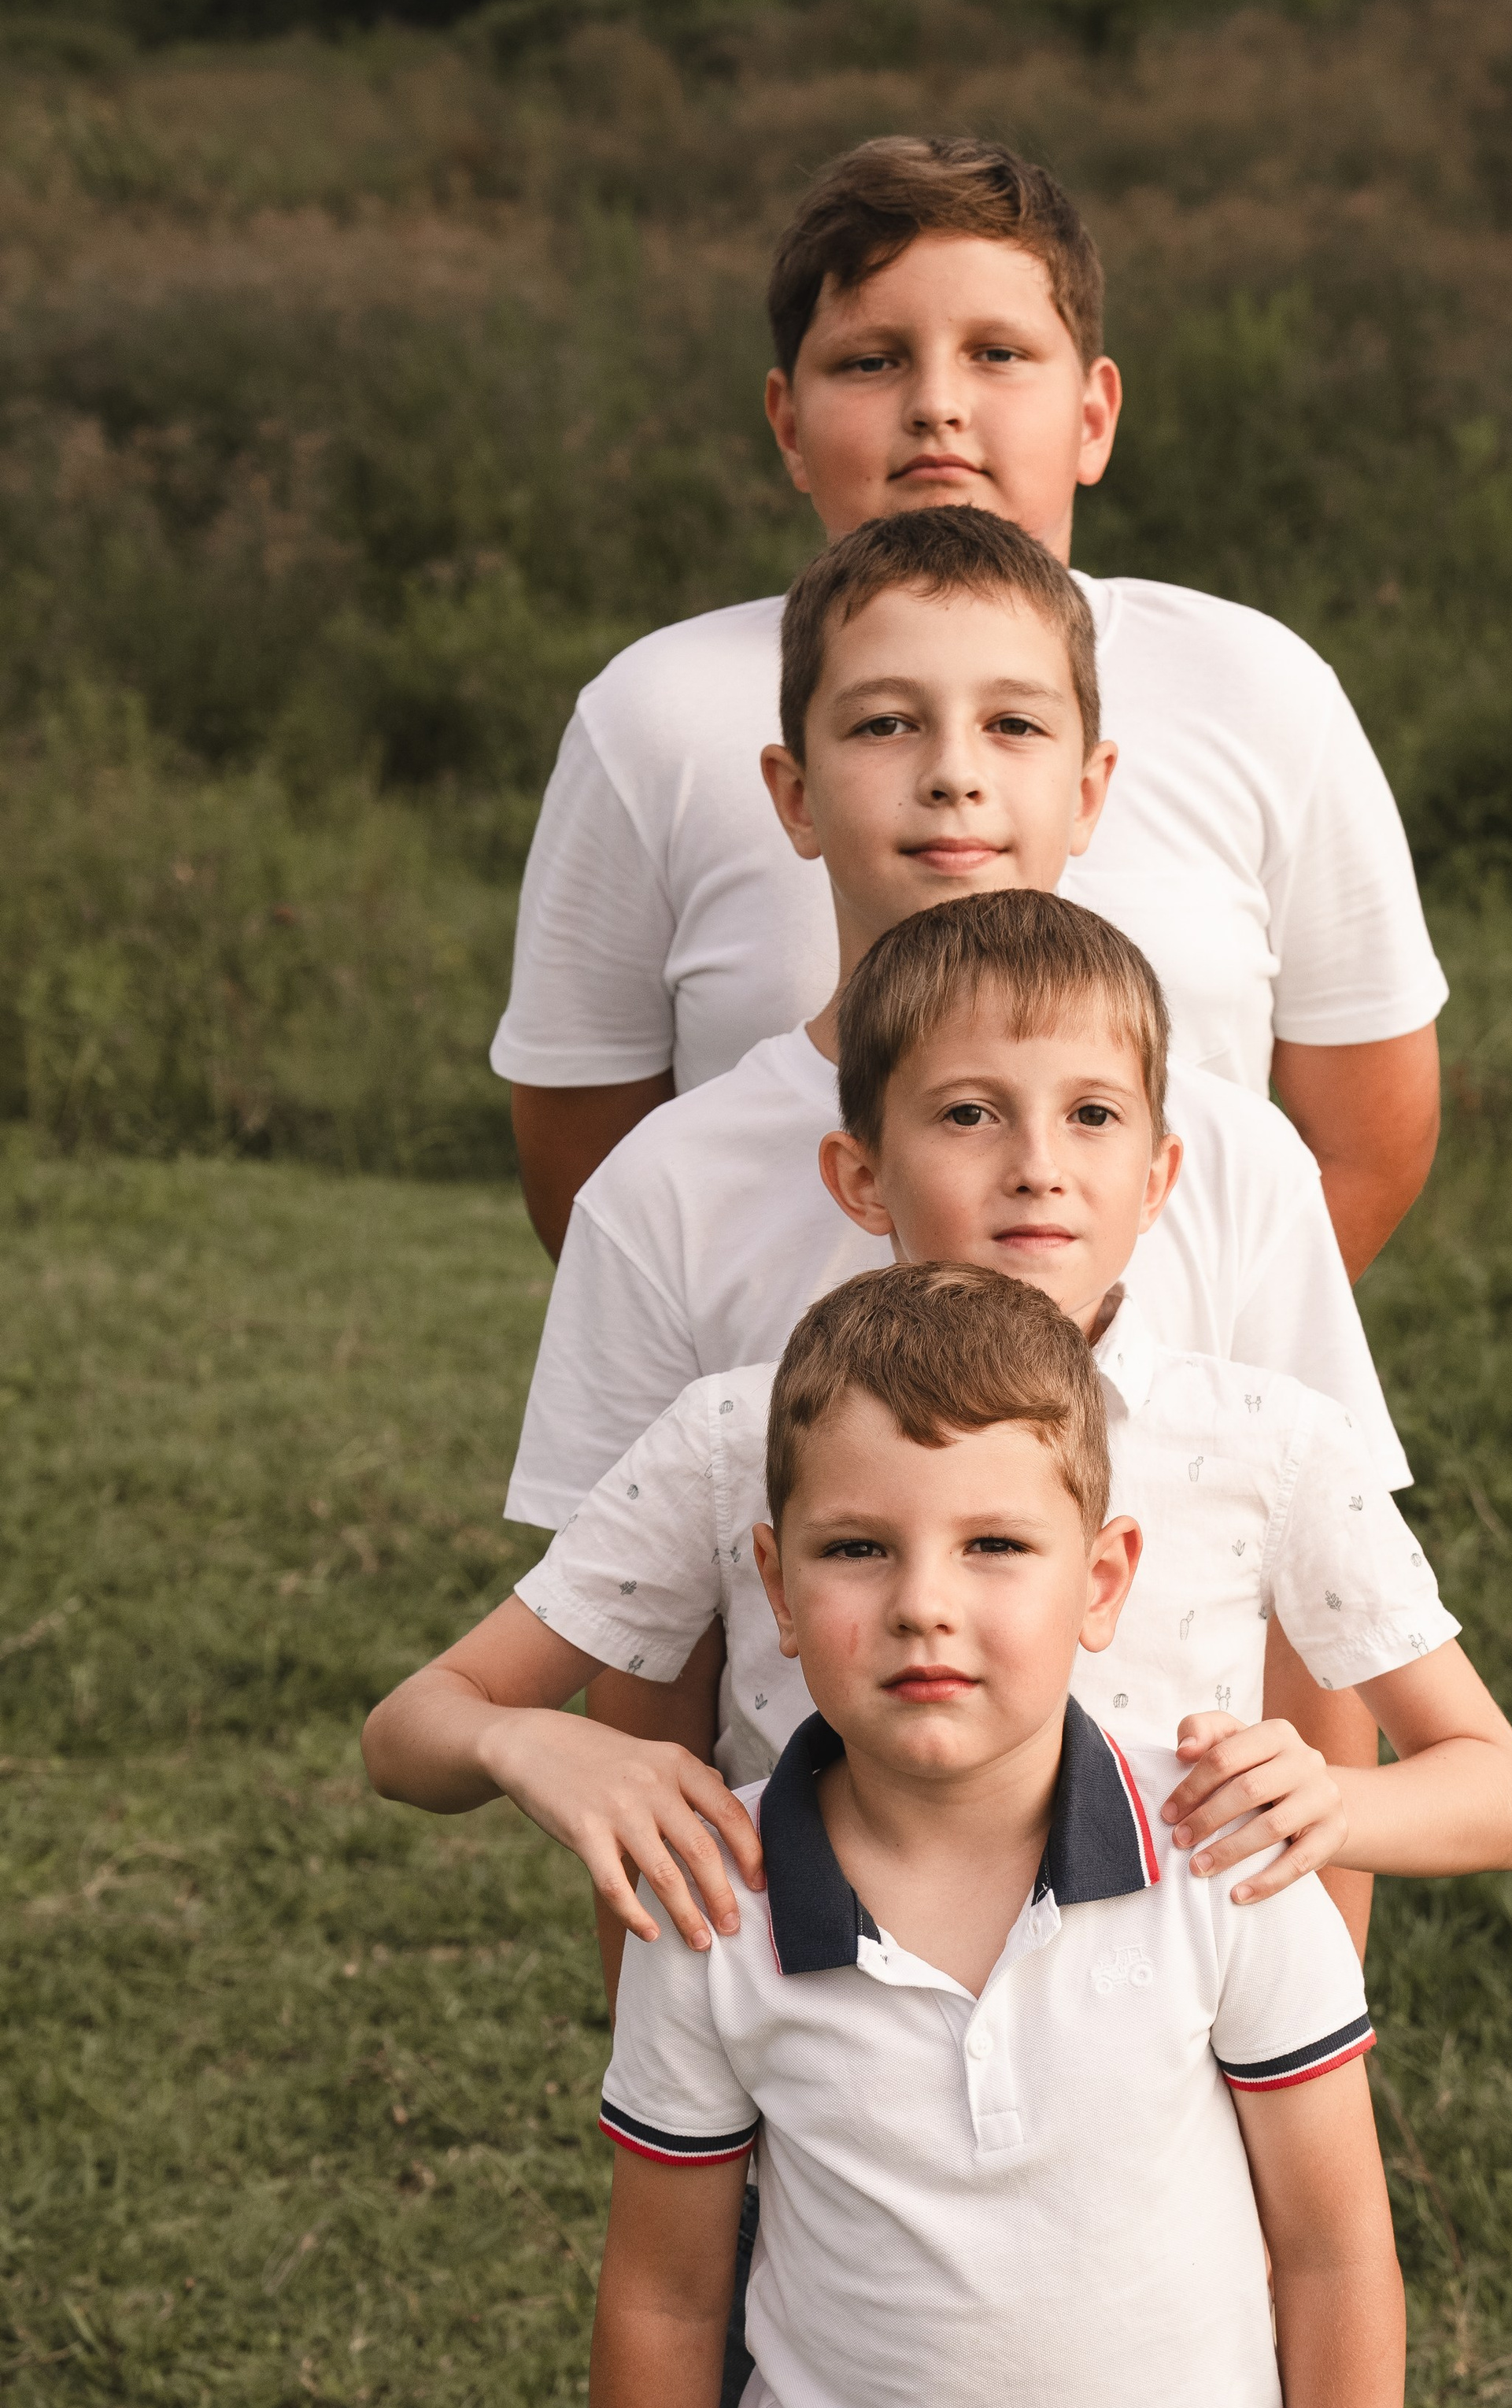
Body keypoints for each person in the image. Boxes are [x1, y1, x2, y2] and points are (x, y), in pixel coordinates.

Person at [370, 1266, 1512, 2408]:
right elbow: (657, 2302)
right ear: (775, 1591)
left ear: (1104, 1580)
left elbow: (1337, 2257)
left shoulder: (1228, 1857)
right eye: (858, 1548)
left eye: (995, 1544)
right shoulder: (712, 1900)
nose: (925, 1600)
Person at [493, 131, 1447, 1949]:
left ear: (1091, 409)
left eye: (997, 355)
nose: (938, 407)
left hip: (1159, 1642)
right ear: (786, 419)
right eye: (872, 359)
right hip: (815, 1608)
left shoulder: (1249, 690)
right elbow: (593, 1158)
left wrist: (1121, 1385)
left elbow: (1363, 1143)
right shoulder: (661, 716)